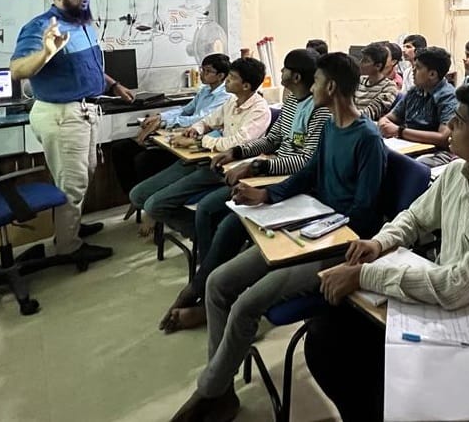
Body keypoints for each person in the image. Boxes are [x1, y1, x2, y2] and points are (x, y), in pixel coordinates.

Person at [305, 81, 469, 422]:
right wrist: (379, 243)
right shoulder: (457, 172)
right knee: (327, 336)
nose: (449, 126)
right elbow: (415, 218)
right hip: (456, 308)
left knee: (387, 383)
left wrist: (364, 275)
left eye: (458, 121)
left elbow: (457, 285)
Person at [170, 52, 387, 422]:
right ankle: (222, 391)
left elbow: (365, 214)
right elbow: (307, 174)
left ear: (331, 87)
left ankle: (210, 393)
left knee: (245, 306)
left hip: (336, 245)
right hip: (307, 226)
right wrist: (266, 195)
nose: (311, 87)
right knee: (218, 283)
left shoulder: (367, 138)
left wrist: (318, 226)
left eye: (317, 81)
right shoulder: (331, 128)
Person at [158, 48, 331, 332]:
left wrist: (256, 167)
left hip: (290, 182)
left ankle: (201, 293)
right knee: (212, 212)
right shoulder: (291, 101)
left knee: (228, 223)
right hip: (271, 173)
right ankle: (207, 287)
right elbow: (272, 140)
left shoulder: (320, 109)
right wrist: (238, 152)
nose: (280, 72)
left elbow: (305, 161)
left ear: (296, 76)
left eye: (285, 68)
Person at [10, 0, 132, 261]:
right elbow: (16, 70)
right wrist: (46, 52)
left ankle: (71, 228)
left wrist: (114, 84)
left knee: (83, 174)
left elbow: (89, 67)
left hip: (85, 111)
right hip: (62, 114)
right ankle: (68, 246)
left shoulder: (82, 23)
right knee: (72, 182)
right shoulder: (40, 27)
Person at [128, 58, 270, 241]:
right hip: (204, 159)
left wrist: (200, 141)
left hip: (226, 168)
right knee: (138, 195)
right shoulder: (232, 101)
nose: (227, 80)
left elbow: (236, 143)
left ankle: (204, 235)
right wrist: (195, 130)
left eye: (232, 77)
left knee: (154, 205)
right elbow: (208, 121)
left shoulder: (260, 110)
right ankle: (204, 231)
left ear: (246, 86)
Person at [110, 53, 231, 198]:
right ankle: (133, 196)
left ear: (220, 76)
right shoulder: (205, 89)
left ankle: (144, 197)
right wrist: (160, 116)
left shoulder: (225, 95)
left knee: (144, 160)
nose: (202, 74)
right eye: (202, 69)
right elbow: (185, 110)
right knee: (120, 148)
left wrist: (164, 122)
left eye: (208, 71)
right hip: (183, 131)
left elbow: (200, 118)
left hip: (196, 138)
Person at [378, 46, 458, 167]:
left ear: (432, 74)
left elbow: (443, 138)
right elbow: (389, 118)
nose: (413, 71)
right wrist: (384, 123)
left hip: (437, 152)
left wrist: (400, 131)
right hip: (407, 145)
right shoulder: (414, 91)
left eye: (418, 67)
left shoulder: (448, 97)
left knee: (412, 167)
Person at [356, 42, 399, 120]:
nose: (361, 63)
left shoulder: (389, 87)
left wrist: (347, 116)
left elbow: (370, 113)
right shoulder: (359, 81)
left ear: (378, 66)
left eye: (366, 61)